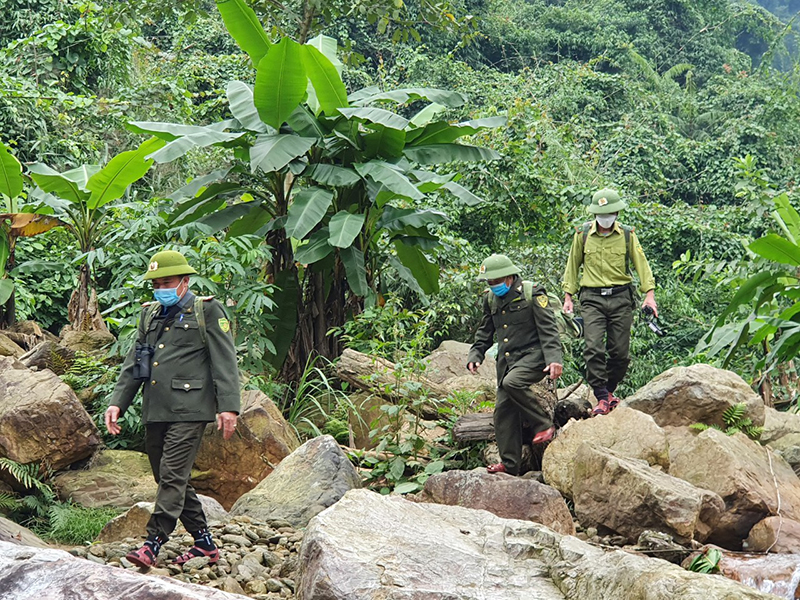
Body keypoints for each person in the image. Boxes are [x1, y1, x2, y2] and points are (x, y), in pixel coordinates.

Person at [104, 250, 241, 569]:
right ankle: (205, 543)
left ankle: (153, 542)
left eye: (167, 282)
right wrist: (117, 402)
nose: (160, 288)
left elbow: (225, 361)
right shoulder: (149, 314)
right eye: (156, 284)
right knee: (168, 477)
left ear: (184, 281)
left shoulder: (205, 310)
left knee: (172, 475)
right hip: (157, 410)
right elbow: (135, 364)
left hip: (191, 409)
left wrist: (229, 407)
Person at [562, 188, 657, 416]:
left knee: (620, 353)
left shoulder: (626, 235)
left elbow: (641, 265)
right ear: (594, 214)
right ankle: (602, 396)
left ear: (616, 213)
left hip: (621, 298)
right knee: (592, 347)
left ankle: (609, 389)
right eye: (601, 214)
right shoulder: (582, 234)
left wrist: (650, 295)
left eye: (609, 213)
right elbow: (572, 265)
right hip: (592, 299)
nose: (605, 218)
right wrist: (568, 297)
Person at [467, 254, 563, 475]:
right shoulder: (491, 299)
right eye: (489, 283)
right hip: (508, 360)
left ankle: (544, 424)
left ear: (509, 277)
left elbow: (548, 329)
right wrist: (476, 354)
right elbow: (485, 331)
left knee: (512, 383)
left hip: (534, 355)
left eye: (495, 281)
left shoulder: (532, 293)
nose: (492, 286)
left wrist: (554, 360)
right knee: (503, 411)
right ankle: (510, 466)